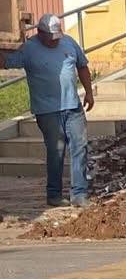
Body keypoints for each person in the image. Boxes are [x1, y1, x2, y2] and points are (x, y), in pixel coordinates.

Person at [0, 13, 94, 207]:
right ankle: (54, 195)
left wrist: (89, 92)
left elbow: (82, 66)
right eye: (50, 37)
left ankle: (79, 194)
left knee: (80, 147)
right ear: (40, 33)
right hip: (47, 110)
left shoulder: (68, 42)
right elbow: (5, 63)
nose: (54, 41)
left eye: (56, 36)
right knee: (56, 151)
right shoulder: (29, 49)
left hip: (73, 106)